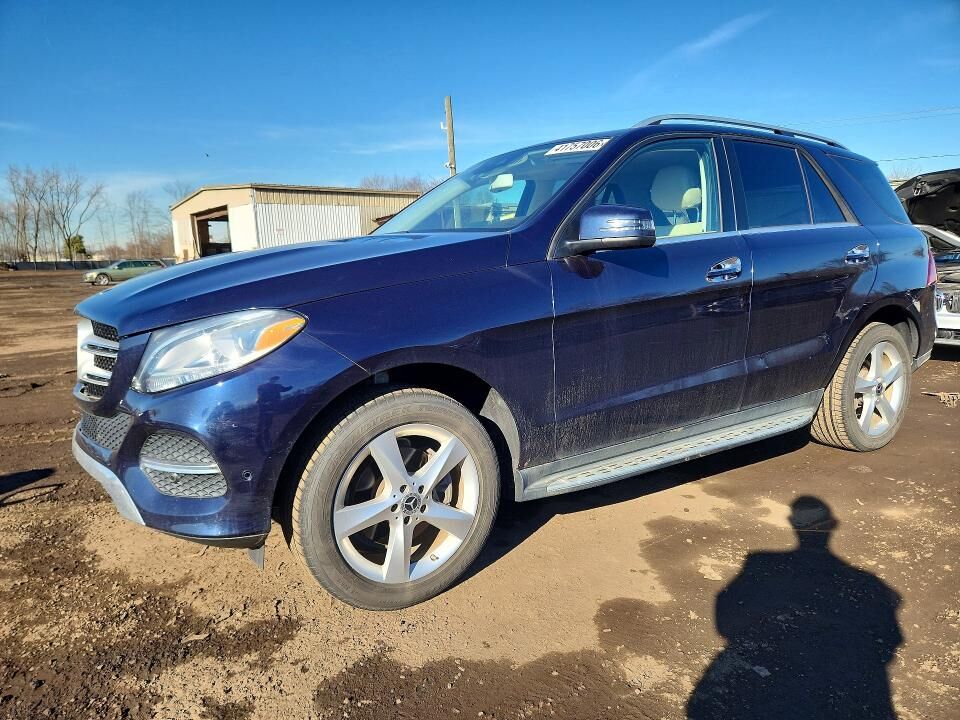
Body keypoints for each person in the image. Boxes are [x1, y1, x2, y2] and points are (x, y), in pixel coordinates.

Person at [687, 496, 902, 719]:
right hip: (833, 695)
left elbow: (725, 620)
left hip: (764, 692)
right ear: (832, 525)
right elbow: (889, 639)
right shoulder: (865, 584)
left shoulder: (762, 566)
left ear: (792, 524)